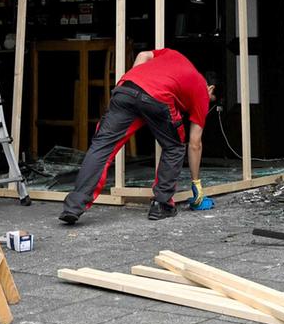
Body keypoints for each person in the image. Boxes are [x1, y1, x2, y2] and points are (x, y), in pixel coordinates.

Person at [60, 48, 219, 224]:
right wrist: (196, 182)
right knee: (174, 147)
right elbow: (195, 144)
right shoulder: (202, 91)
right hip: (158, 97)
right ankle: (162, 204)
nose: (207, 101)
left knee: (101, 147)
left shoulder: (174, 55)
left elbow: (143, 55)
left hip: (126, 88)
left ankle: (73, 207)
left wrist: (134, 85)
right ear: (210, 88)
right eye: (211, 97)